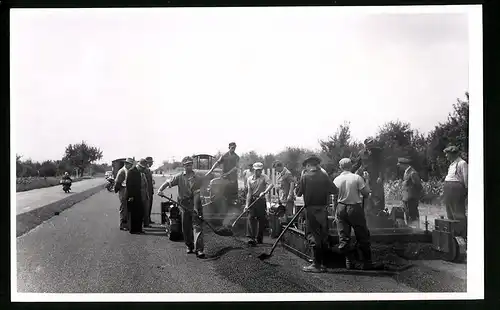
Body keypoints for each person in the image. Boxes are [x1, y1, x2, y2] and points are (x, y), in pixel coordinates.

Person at [296, 155, 338, 273]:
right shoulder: (324, 177)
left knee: (313, 236)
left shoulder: (305, 177)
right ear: (317, 165)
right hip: (323, 209)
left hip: (311, 210)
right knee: (323, 235)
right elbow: (334, 190)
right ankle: (323, 264)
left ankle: (316, 264)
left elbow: (298, 193)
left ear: (308, 166)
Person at [158, 156, 207, 258]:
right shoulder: (179, 177)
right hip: (183, 205)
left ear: (192, 165)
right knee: (186, 227)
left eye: (190, 164)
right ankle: (189, 245)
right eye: (186, 165)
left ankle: (199, 249)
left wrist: (199, 203)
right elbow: (168, 182)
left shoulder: (197, 177)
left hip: (196, 203)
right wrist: (160, 189)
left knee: (197, 226)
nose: (188, 166)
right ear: (183, 166)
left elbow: (203, 189)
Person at [333, 158, 373, 270]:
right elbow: (366, 194)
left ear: (340, 167)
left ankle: (349, 262)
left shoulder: (336, 179)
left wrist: (335, 213)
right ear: (351, 166)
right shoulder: (357, 178)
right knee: (362, 234)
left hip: (340, 207)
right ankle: (367, 262)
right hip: (354, 208)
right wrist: (367, 180)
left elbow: (333, 196)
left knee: (344, 237)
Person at [351, 138, 385, 215]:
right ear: (366, 144)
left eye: (372, 143)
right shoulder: (361, 153)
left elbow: (382, 165)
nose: (371, 145)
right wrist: (349, 172)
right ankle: (366, 212)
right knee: (365, 194)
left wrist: (381, 176)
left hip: (376, 177)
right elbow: (357, 164)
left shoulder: (378, 151)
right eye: (369, 143)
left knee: (378, 195)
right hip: (365, 177)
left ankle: (380, 213)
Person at [245, 162, 274, 246]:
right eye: (257, 170)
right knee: (250, 218)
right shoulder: (249, 179)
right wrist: (247, 205)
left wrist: (264, 192)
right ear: (254, 170)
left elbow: (271, 184)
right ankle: (251, 238)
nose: (259, 172)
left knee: (261, 219)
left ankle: (259, 238)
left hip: (261, 201)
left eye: (260, 170)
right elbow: (249, 193)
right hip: (252, 200)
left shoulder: (264, 177)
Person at [206, 142, 240, 206]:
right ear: (229, 148)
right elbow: (217, 163)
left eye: (235, 148)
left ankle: (232, 203)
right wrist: (210, 171)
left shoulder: (236, 157)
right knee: (220, 188)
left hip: (232, 177)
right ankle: (218, 202)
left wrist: (228, 173)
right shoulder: (224, 156)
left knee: (232, 192)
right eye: (232, 148)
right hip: (224, 176)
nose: (233, 149)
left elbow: (236, 167)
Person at [443, 146, 468, 229]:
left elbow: (466, 177)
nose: (446, 156)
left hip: (456, 189)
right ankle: (452, 230)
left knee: (458, 211)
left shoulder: (462, 163)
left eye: (447, 154)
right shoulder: (452, 164)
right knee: (449, 210)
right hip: (448, 189)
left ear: (453, 154)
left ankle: (461, 231)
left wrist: (466, 190)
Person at [397, 157, 423, 228]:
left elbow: (418, 186)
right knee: (408, 216)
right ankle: (410, 230)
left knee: (413, 216)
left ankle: (416, 231)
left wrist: (414, 196)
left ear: (404, 164)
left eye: (400, 165)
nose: (399, 166)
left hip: (411, 199)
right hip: (406, 198)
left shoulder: (412, 173)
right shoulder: (406, 172)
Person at [126, 159, 146, 234]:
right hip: (132, 196)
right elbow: (129, 185)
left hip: (138, 195)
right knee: (133, 214)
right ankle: (133, 230)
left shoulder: (138, 172)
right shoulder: (131, 172)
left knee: (139, 212)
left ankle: (138, 229)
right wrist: (130, 196)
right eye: (143, 168)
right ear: (139, 166)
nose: (143, 169)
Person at [114, 158, 135, 230]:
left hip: (126, 190)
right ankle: (122, 224)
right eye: (130, 164)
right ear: (126, 164)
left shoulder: (127, 171)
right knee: (123, 208)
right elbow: (117, 183)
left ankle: (126, 224)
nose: (131, 166)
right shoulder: (122, 171)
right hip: (123, 190)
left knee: (126, 208)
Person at [145, 156, 155, 225]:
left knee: (149, 206)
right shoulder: (145, 170)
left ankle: (148, 219)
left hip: (150, 191)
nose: (152, 164)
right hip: (146, 191)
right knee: (146, 207)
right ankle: (146, 221)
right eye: (151, 162)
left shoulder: (148, 170)